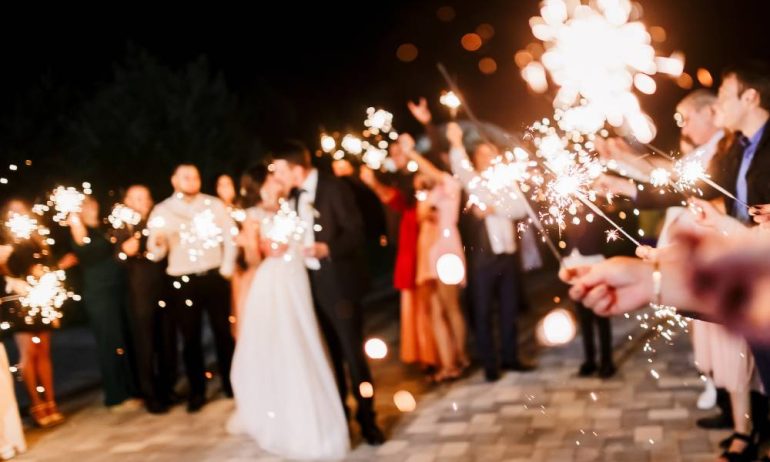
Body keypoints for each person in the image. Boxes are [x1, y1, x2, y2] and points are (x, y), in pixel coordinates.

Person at [227, 168, 349, 459]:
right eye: (271, 177)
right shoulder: (253, 215)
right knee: (285, 344)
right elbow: (252, 259)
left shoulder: (292, 204)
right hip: (275, 283)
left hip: (299, 280)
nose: (277, 178)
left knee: (307, 339)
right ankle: (289, 416)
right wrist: (259, 245)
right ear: (261, 184)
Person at [270, 140, 385, 445]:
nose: (277, 175)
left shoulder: (335, 188)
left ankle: (367, 417)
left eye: (280, 169)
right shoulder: (292, 198)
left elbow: (356, 231)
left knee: (352, 355)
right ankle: (340, 418)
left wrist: (328, 248)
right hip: (309, 286)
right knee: (328, 356)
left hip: (339, 285)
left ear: (296, 168)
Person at [444, 122, 535, 381]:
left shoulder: (508, 183)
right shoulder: (475, 182)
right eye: (485, 154)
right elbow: (460, 167)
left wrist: (494, 208)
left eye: (493, 152)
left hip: (507, 256)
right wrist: (456, 142)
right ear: (477, 159)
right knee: (483, 311)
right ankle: (490, 365)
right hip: (485, 258)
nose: (490, 157)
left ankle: (511, 357)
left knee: (509, 310)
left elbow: (520, 209)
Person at [147, 164, 237, 413]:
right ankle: (197, 390)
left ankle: (231, 383)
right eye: (185, 177)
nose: (191, 180)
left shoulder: (213, 205)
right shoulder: (163, 210)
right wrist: (158, 243)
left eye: (195, 176)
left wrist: (227, 267)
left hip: (214, 275)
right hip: (182, 279)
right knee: (190, 336)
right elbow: (155, 252)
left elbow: (230, 237)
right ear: (174, 180)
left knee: (222, 331)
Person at [360, 142, 437, 371]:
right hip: (406, 237)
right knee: (412, 299)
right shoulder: (396, 177)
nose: (396, 156)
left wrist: (374, 184)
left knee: (426, 300)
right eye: (393, 153)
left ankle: (435, 353)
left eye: (399, 152)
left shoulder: (418, 175)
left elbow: (397, 200)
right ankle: (425, 354)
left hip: (421, 236)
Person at [401, 132, 470, 383]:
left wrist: (411, 153)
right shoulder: (429, 194)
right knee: (436, 309)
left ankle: (459, 358)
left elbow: (432, 172)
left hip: (448, 248)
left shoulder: (450, 185)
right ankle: (449, 362)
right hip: (432, 253)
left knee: (451, 306)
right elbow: (420, 216)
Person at [68, 196, 141, 412]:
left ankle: (130, 388)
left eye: (92, 203)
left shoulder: (102, 228)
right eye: (86, 205)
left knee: (123, 340)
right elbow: (82, 244)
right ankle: (116, 396)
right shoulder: (80, 230)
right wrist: (74, 218)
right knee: (110, 343)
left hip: (117, 290)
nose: (91, 207)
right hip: (100, 294)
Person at [0, 200, 65, 427]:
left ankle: (51, 400)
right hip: (19, 300)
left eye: (21, 209)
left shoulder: (38, 238)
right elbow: (6, 271)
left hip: (42, 298)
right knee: (28, 352)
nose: (18, 213)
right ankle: (35, 404)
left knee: (43, 350)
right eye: (13, 211)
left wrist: (45, 274)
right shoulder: (6, 242)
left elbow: (48, 264)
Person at [113, 185, 177, 413]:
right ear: (128, 201)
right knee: (146, 343)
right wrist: (124, 251)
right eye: (135, 198)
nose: (141, 202)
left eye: (144, 197)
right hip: (140, 290)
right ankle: (150, 394)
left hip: (165, 285)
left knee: (167, 339)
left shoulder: (160, 220)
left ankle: (168, 386)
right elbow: (118, 258)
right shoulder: (123, 226)